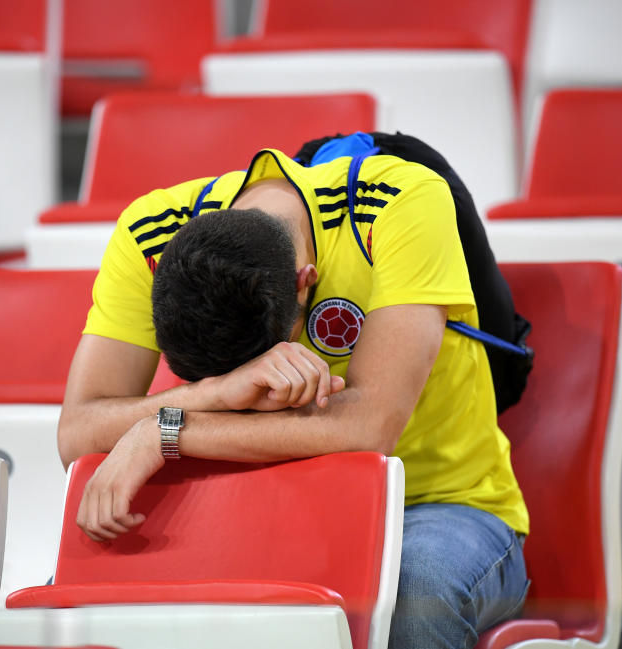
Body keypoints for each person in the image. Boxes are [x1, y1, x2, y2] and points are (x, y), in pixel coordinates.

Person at [57, 133, 530, 649]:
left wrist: (167, 431)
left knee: (412, 597)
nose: (247, 397)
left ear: (307, 282)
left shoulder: (401, 199)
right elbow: (78, 431)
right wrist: (215, 394)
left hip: (436, 504)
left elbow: (370, 427)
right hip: (252, 501)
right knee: (102, 600)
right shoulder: (151, 232)